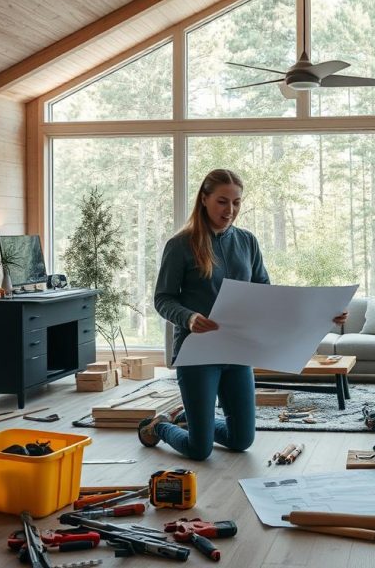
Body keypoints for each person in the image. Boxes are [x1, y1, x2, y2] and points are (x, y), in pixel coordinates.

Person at [144, 168, 347, 461]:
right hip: (197, 354)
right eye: (222, 201)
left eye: (236, 202)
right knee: (199, 450)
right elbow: (162, 299)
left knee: (241, 440)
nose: (230, 210)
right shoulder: (180, 245)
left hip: (238, 352)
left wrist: (326, 313)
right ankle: (159, 426)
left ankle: (187, 420)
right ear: (204, 199)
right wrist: (188, 317)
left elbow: (265, 294)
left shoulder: (247, 241)